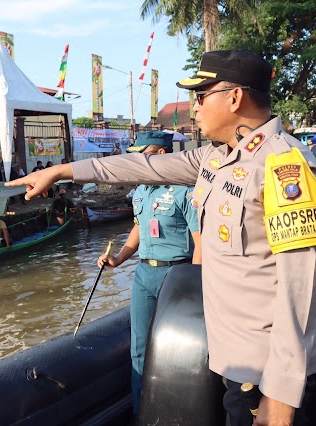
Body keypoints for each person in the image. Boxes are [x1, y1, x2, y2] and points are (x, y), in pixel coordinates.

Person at [7, 50, 316, 425]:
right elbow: (141, 165)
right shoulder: (216, 158)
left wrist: (281, 393)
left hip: (266, 374)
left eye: (200, 96)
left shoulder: (284, 165)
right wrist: (64, 170)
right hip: (233, 360)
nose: (194, 108)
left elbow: (301, 287)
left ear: (234, 97)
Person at [97, 131, 200, 414]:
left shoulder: (185, 190)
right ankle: (141, 412)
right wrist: (118, 257)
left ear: (162, 156)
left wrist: (196, 283)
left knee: (179, 349)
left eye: (144, 154)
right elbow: (139, 229)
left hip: (178, 275)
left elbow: (200, 241)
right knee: (139, 348)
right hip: (145, 275)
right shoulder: (141, 190)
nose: (138, 161)